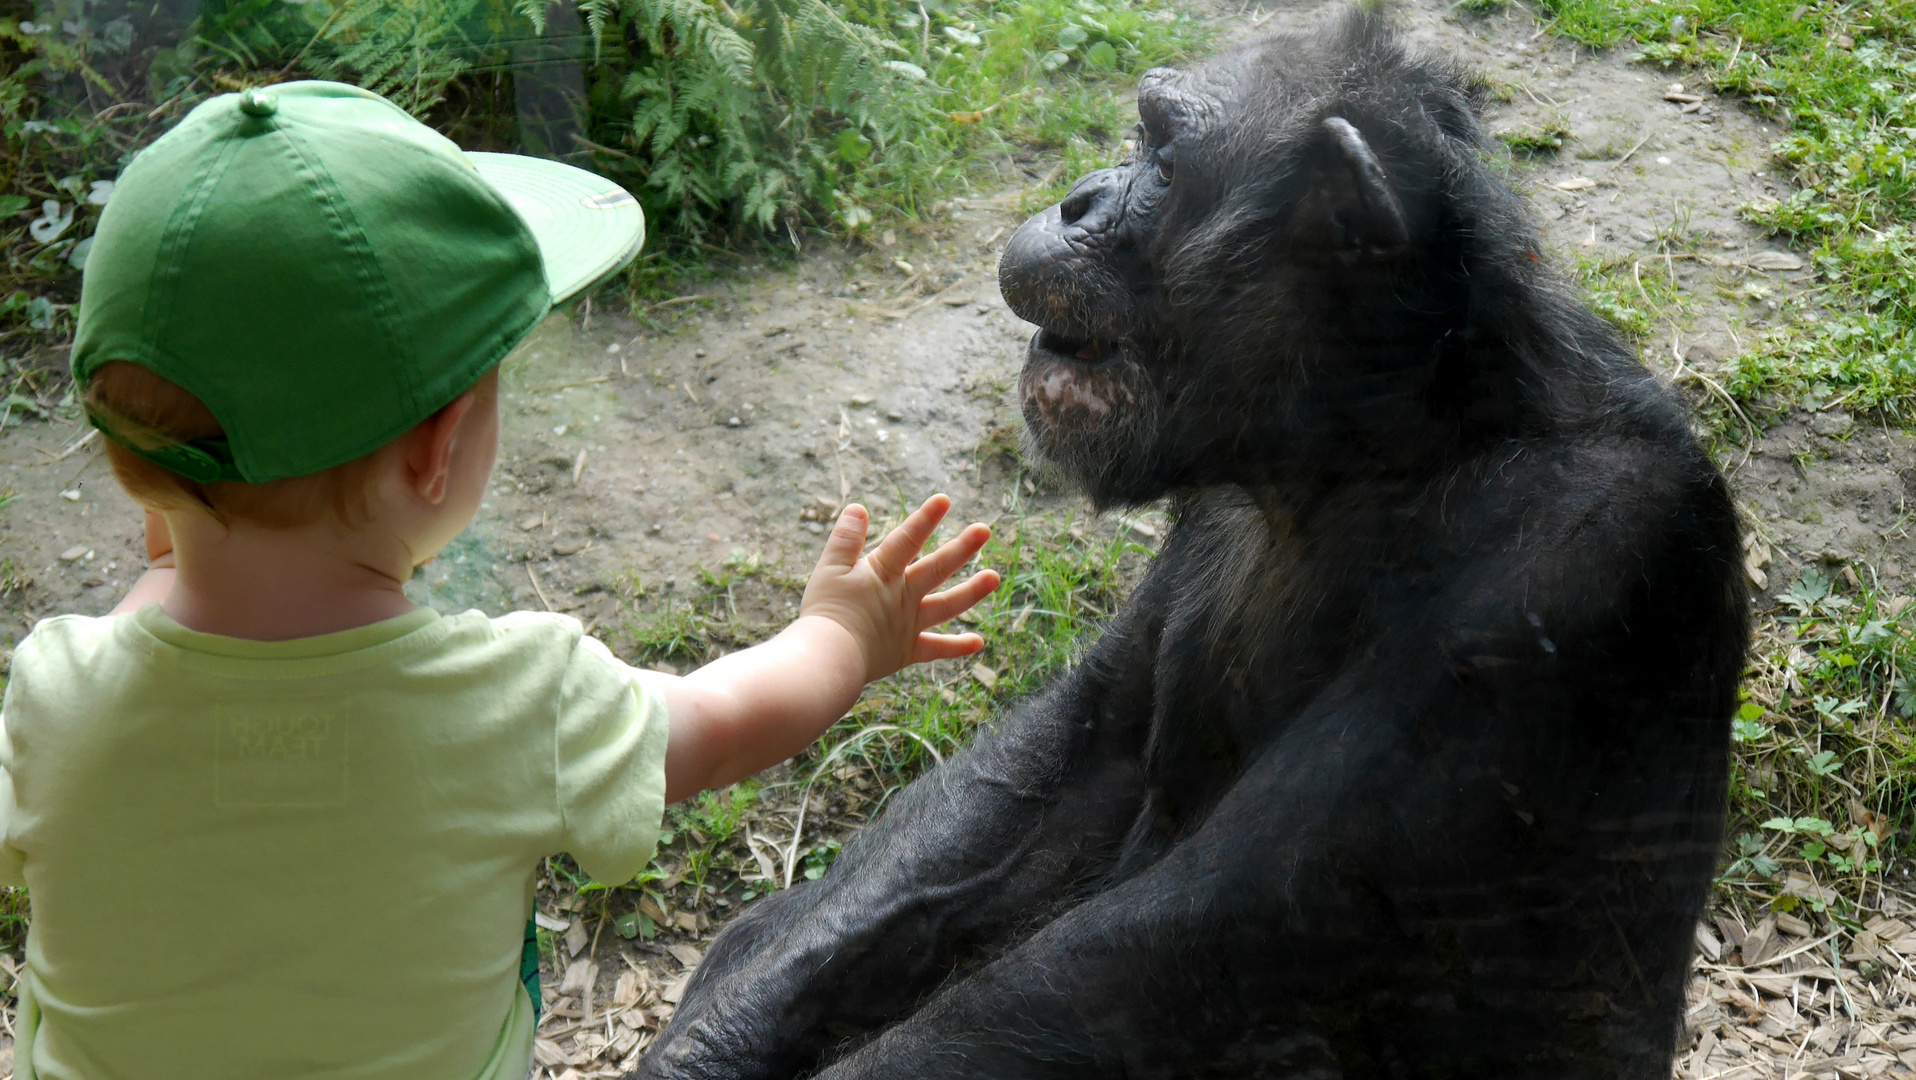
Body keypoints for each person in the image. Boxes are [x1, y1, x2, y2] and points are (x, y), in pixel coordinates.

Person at [0, 81, 1000, 1080]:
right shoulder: (522, 702)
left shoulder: (52, 700)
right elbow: (725, 718)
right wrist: (843, 634)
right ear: (437, 454)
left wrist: (176, 561)